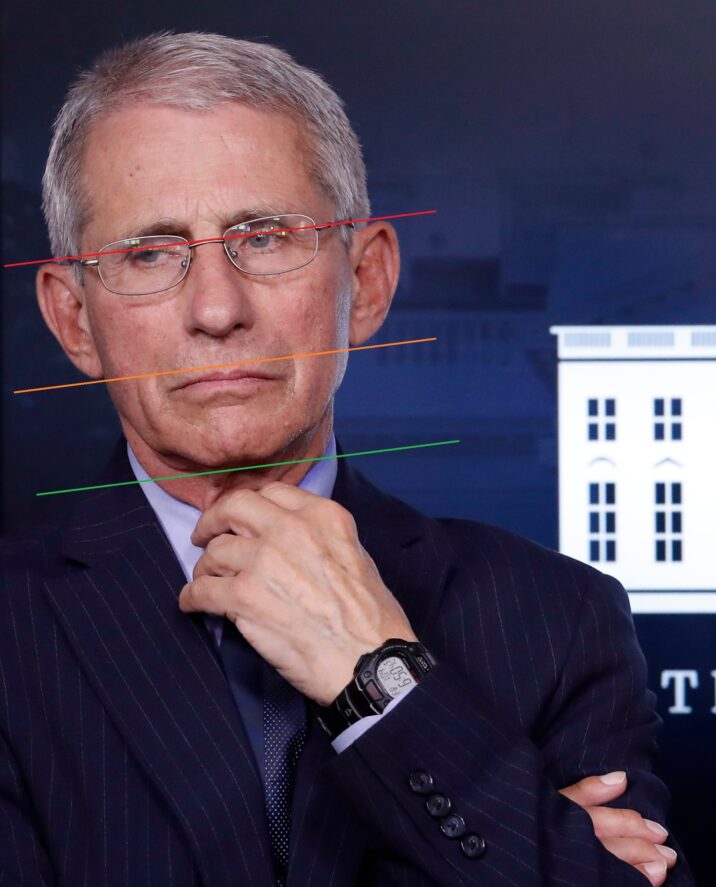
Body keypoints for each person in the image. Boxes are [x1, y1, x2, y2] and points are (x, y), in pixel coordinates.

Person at [0, 31, 694, 887]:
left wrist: (380, 679)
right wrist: (534, 841)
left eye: (265, 237)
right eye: (148, 253)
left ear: (365, 282)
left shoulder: (558, 617)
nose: (216, 310)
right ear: (74, 319)